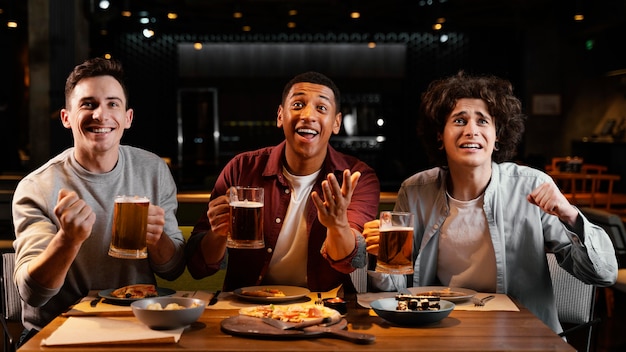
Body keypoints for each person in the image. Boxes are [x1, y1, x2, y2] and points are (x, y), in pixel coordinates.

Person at [363, 71, 618, 334]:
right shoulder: (415, 191)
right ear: (440, 135)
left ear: (497, 136)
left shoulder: (529, 185)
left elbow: (603, 274)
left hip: (521, 336)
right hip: (440, 330)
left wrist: (570, 216)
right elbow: (392, 289)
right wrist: (382, 256)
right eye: (459, 121)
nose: (471, 131)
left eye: (483, 121)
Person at [11, 57, 186, 340]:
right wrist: (67, 240)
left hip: (138, 325)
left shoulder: (153, 169)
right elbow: (33, 293)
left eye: (112, 104)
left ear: (128, 118)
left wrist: (157, 240)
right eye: (88, 104)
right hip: (57, 331)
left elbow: (173, 270)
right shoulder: (37, 187)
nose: (101, 115)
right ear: (66, 118)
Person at [186, 71, 380, 293]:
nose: (308, 115)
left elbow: (348, 262)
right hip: (246, 306)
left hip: (323, 308)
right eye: (297, 104)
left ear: (336, 123)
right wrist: (217, 233)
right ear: (280, 116)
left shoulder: (356, 176)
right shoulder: (242, 168)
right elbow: (198, 266)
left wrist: (338, 225)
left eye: (321, 108)